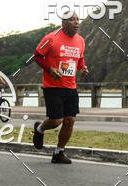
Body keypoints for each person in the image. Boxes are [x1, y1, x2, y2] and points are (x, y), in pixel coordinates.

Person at [31, 13, 88, 163]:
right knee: (56, 120)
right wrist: (49, 69)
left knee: (70, 120)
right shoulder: (51, 38)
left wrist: (82, 68)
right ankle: (39, 129)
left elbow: (79, 59)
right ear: (63, 23)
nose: (76, 23)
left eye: (78, 20)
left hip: (71, 87)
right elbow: (37, 56)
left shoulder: (80, 41)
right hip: (53, 86)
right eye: (72, 20)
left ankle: (58, 153)